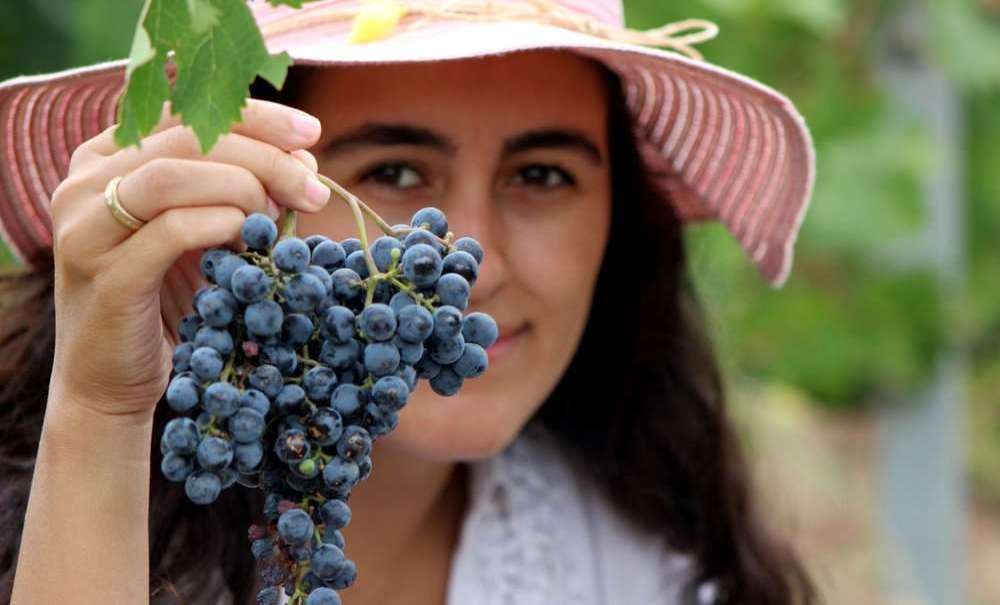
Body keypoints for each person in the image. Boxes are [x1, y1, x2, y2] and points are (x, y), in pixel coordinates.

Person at [0, 1, 818, 603]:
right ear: (231, 196)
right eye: (392, 172)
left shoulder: (642, 571)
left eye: (541, 175)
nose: (475, 263)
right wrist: (101, 410)